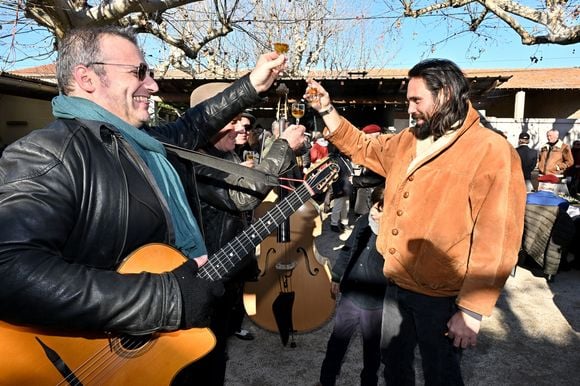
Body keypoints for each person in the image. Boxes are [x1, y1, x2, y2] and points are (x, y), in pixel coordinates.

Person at [0, 25, 286, 384]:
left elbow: (194, 124)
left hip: (171, 345)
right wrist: (165, 298)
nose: (152, 85)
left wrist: (252, 85)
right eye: (139, 73)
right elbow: (9, 269)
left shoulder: (142, 142)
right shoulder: (49, 153)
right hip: (104, 363)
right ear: (87, 78)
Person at [305, 58, 526, 385]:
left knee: (441, 375)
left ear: (447, 93)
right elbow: (364, 146)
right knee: (394, 368)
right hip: (395, 284)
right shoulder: (408, 139)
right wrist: (327, 110)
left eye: (416, 100)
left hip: (441, 295)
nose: (409, 109)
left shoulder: (491, 150)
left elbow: (498, 237)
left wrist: (471, 311)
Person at [184, 82, 305, 386]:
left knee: (217, 355)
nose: (244, 127)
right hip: (204, 280)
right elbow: (244, 197)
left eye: (245, 121)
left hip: (226, 277)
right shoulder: (195, 158)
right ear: (208, 118)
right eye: (235, 119)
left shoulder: (228, 156)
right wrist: (283, 147)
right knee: (201, 362)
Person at [319, 186, 387, 386]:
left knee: (372, 351)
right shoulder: (364, 221)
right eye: (373, 206)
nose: (374, 212)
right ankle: (326, 380)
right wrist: (337, 276)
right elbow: (348, 250)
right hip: (350, 296)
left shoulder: (396, 234)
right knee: (336, 343)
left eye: (380, 210)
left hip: (375, 303)